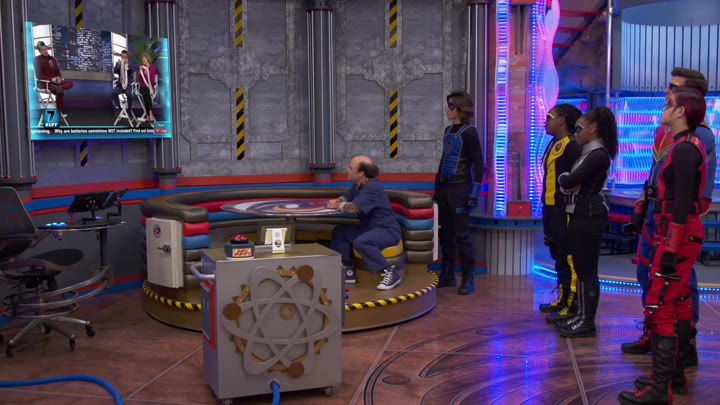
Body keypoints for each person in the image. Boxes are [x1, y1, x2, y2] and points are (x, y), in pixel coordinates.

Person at [618, 86, 708, 404]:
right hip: (677, 231)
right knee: (678, 301)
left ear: (681, 111)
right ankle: (674, 377)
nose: (664, 108)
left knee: (659, 303)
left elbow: (681, 203)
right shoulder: (686, 146)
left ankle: (661, 388)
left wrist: (670, 248)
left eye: (669, 104)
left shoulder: (684, 149)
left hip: (677, 233)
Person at [554, 106, 618, 338]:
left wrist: (564, 179)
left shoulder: (597, 155)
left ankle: (586, 321)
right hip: (582, 212)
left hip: (588, 214)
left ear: (593, 129)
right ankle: (581, 316)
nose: (576, 133)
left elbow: (568, 180)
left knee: (587, 271)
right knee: (581, 270)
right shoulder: (590, 153)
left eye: (580, 128)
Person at [434, 90, 484, 295]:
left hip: (460, 187)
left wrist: (473, 193)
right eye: (448, 105)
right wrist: (437, 190)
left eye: (451, 106)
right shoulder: (448, 130)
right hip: (445, 188)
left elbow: (479, 164)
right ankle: (448, 274)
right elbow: (443, 161)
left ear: (461, 108)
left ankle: (467, 277)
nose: (448, 109)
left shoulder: (470, 132)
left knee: (462, 235)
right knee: (444, 233)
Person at [328, 156, 403, 291]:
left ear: (361, 173)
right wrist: (338, 201)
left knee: (362, 242)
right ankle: (348, 270)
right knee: (340, 232)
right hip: (369, 229)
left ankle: (390, 273)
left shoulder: (372, 188)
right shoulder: (358, 185)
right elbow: (346, 196)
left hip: (387, 231)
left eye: (350, 168)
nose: (347, 170)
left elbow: (353, 208)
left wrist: (337, 205)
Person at [537, 104, 583, 323]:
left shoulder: (572, 146)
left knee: (568, 257)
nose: (545, 122)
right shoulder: (553, 143)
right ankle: (563, 298)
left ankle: (572, 305)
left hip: (564, 209)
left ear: (562, 120)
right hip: (550, 208)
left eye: (549, 117)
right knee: (558, 257)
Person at [33, 41, 74, 114]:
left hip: (55, 83)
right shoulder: (37, 59)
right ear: (39, 51)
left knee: (70, 83)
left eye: (45, 49)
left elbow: (57, 71)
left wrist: (59, 78)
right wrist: (51, 79)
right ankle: (59, 112)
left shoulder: (53, 59)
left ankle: (58, 87)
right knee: (59, 91)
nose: (45, 51)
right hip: (45, 83)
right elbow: (38, 75)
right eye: (42, 50)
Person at [138, 53, 157, 124]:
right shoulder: (142, 68)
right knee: (145, 90)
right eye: (142, 58)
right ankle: (150, 113)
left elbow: (152, 80)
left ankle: (148, 115)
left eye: (144, 58)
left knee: (146, 95)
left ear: (147, 59)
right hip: (143, 88)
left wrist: (147, 74)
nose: (142, 59)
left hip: (150, 88)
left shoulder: (152, 68)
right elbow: (140, 79)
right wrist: (140, 72)